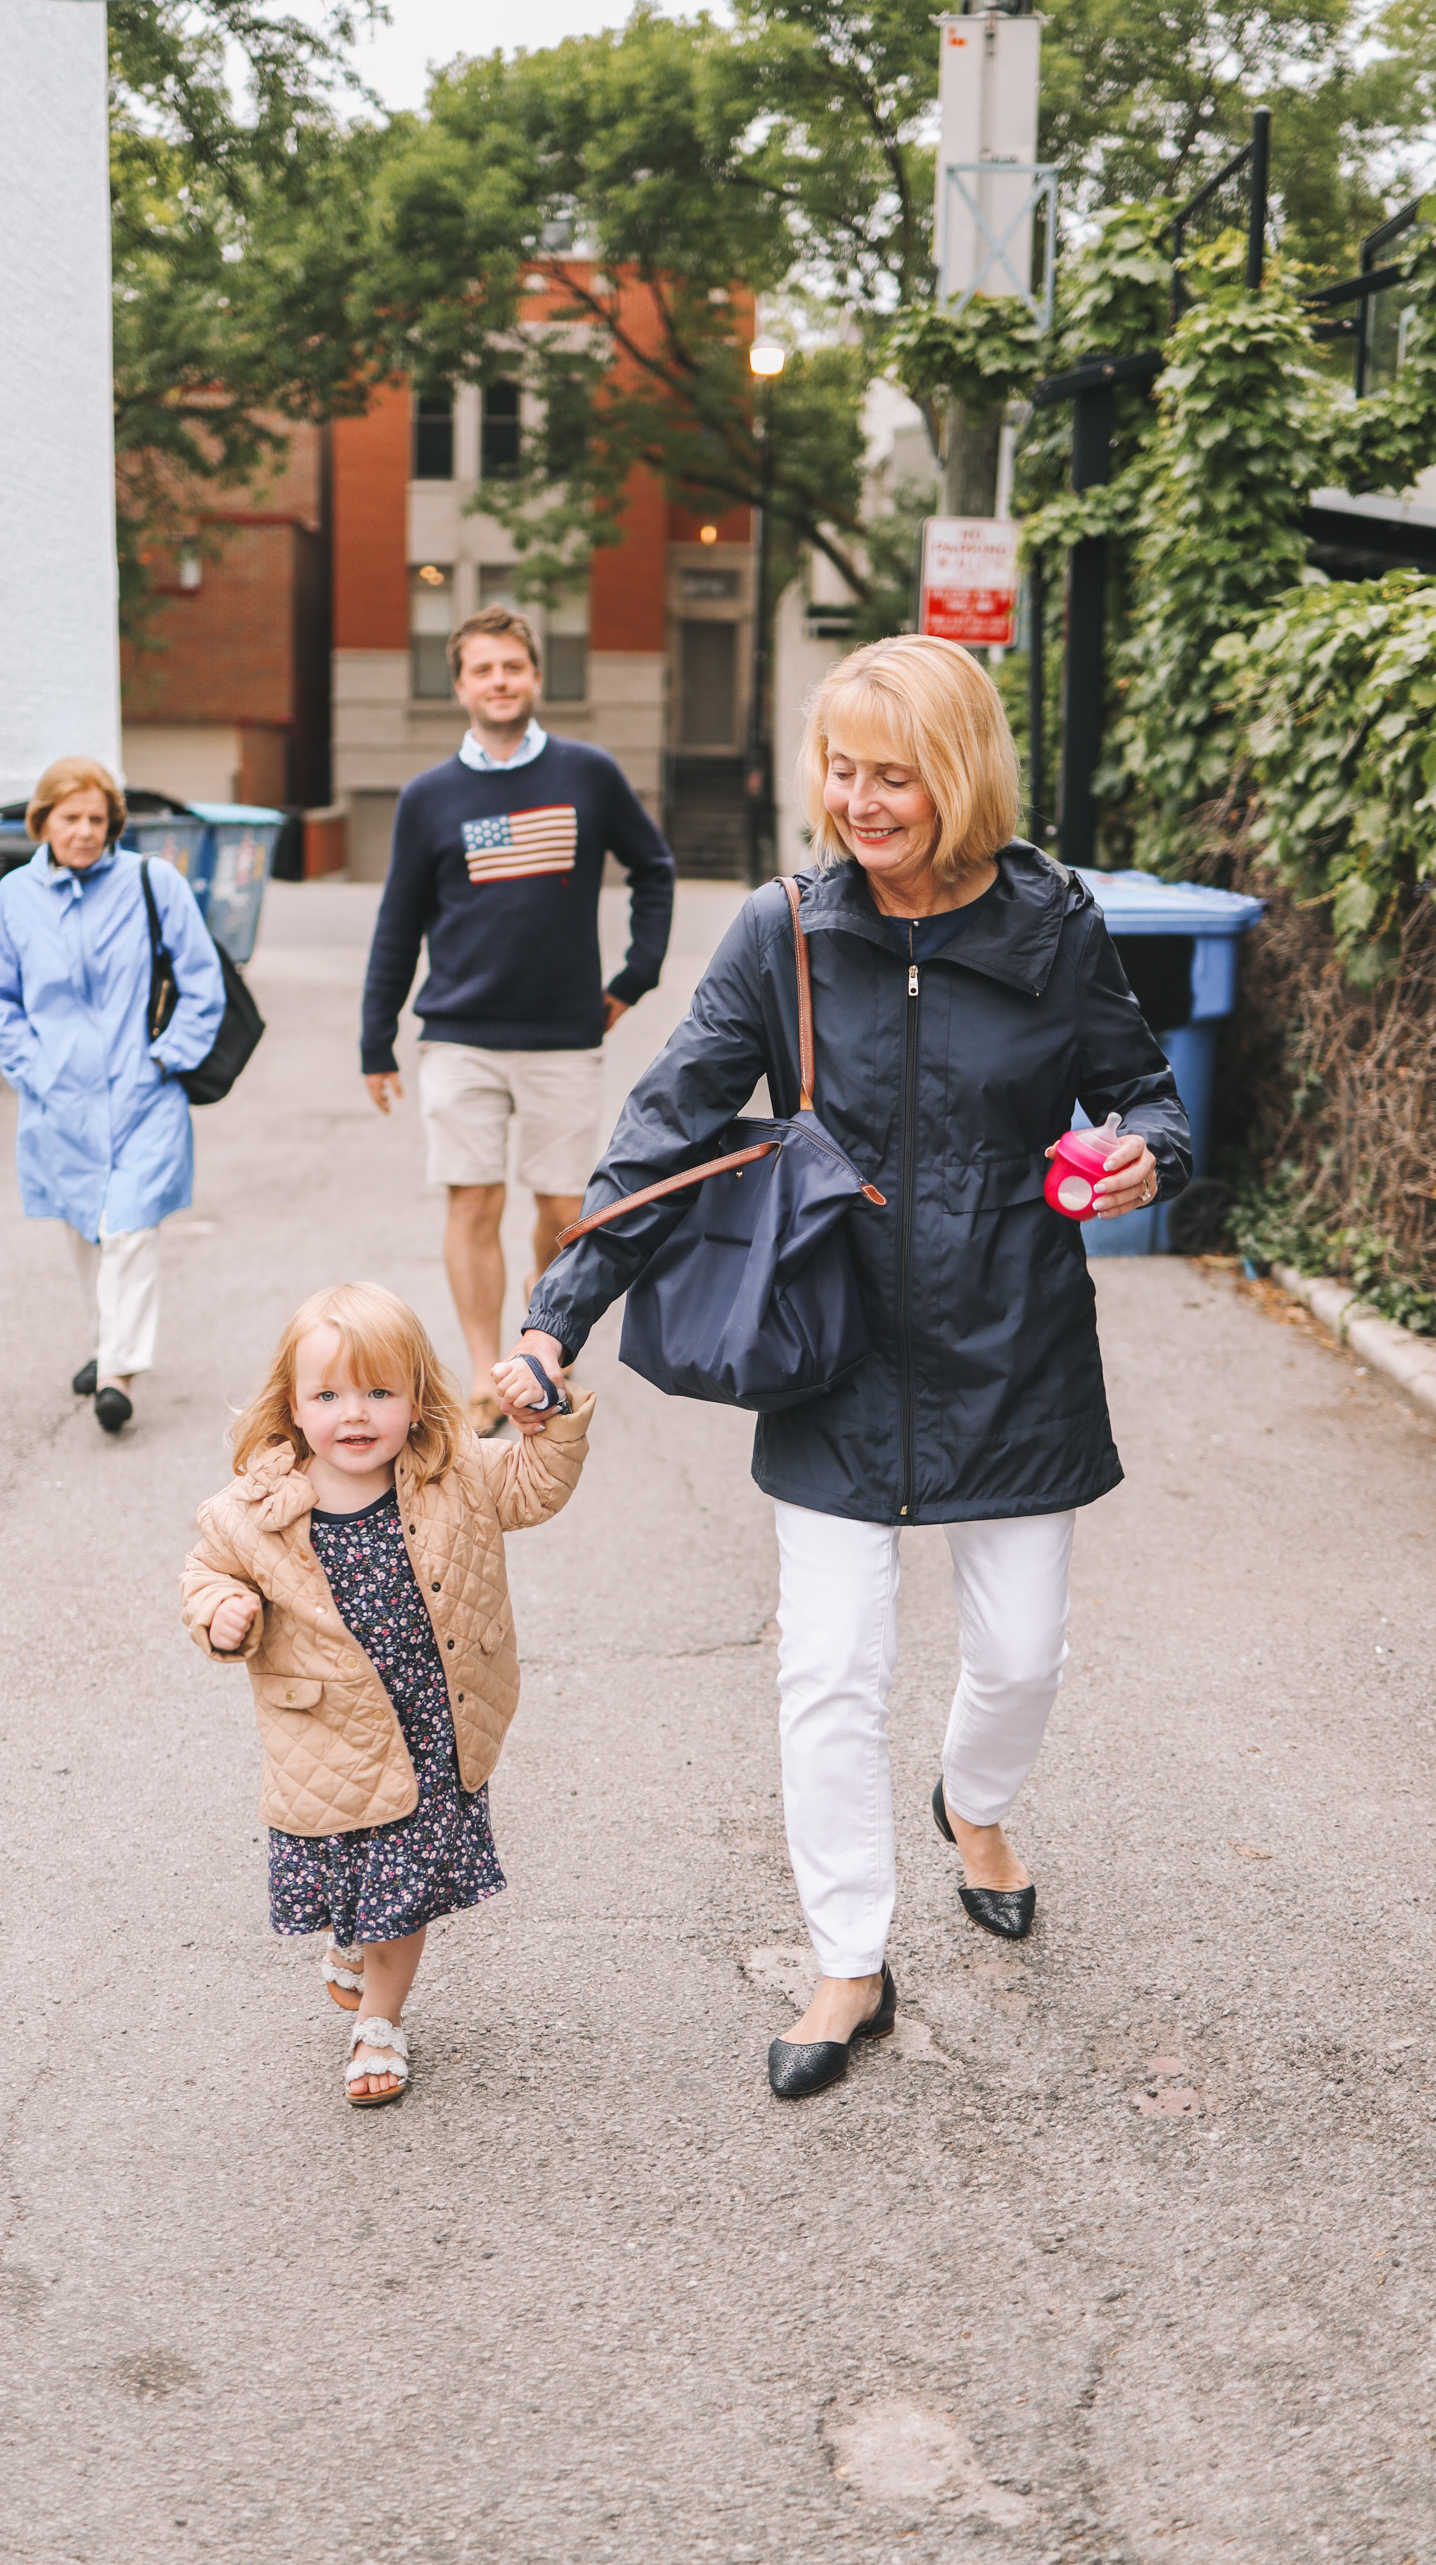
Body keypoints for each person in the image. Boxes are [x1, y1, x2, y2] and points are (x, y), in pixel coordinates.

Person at [493, 635, 1191, 2101]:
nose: (862, 804)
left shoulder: (1056, 923)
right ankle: (849, 1961)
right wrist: (561, 1312)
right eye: (843, 772)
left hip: (1015, 1345)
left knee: (1018, 1661)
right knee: (827, 1672)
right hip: (834, 1348)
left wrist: (1147, 1153)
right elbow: (670, 1127)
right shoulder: (785, 932)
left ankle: (976, 1805)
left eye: (896, 777)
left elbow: (1141, 1089)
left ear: (961, 775)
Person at [181, 1281, 591, 2106]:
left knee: (399, 1887)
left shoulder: (456, 1472)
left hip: (434, 1724)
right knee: (347, 1877)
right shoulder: (252, 1510)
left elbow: (534, 1488)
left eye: (378, 1392)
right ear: (293, 1408)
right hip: (326, 1736)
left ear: (415, 1398)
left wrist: (546, 1422)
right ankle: (352, 1943)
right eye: (327, 1395)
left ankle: (380, 2024)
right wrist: (221, 1610)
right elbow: (205, 1573)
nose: (354, 1414)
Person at [360, 603, 674, 1436]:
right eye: (482, 670)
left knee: (561, 1209)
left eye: (513, 667)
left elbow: (655, 868)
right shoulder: (429, 797)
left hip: (564, 1039)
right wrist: (374, 1038)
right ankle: (478, 1369)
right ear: (460, 685)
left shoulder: (589, 775)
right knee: (473, 1203)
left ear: (535, 676)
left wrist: (637, 974)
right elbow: (398, 923)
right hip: (459, 1036)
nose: (499, 682)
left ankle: (541, 1354)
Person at [0, 756, 225, 1434]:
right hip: (60, 1102)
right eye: (69, 818)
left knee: (130, 1228)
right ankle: (108, 1340)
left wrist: (169, 1057)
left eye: (96, 819)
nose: (84, 831)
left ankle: (118, 1372)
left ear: (113, 823)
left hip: (145, 1092)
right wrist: (33, 1069)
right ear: (44, 822)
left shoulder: (154, 882)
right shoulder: (12, 901)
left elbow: (203, 981)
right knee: (86, 1228)